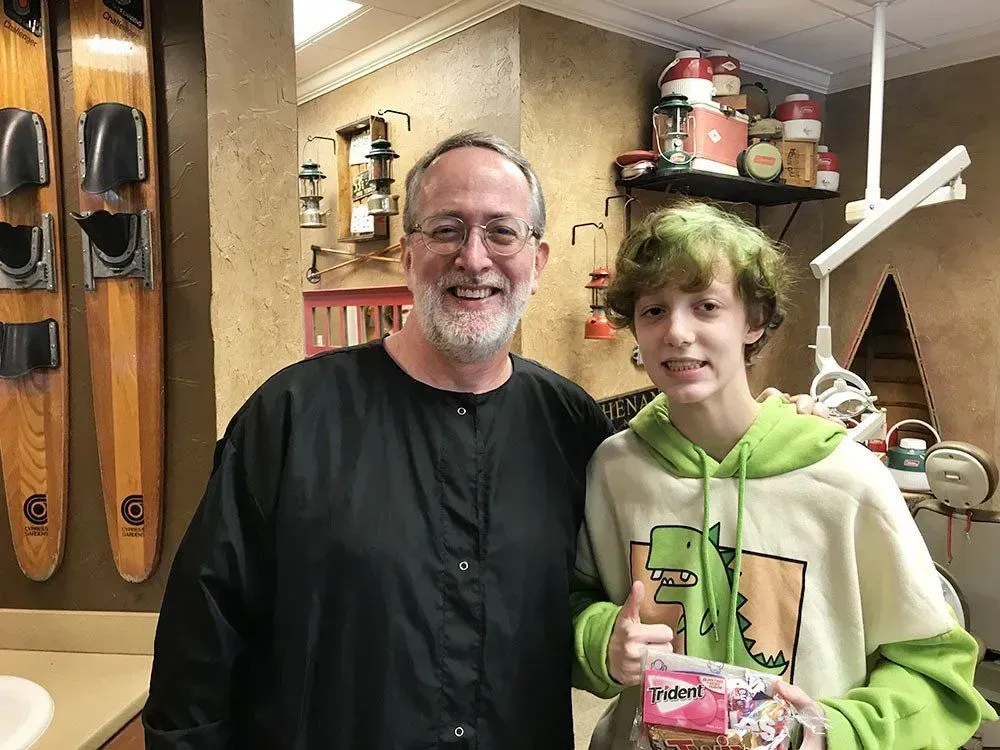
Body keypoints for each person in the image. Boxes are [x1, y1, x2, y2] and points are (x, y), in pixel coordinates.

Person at [142, 133, 827, 749]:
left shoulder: (572, 426)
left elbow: (644, 541)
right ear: (408, 253)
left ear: (538, 259)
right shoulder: (291, 417)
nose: (473, 258)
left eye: (502, 232)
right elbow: (200, 640)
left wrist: (772, 427)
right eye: (447, 229)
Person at [570, 201, 996, 750]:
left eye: (706, 306)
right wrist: (602, 642)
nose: (676, 332)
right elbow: (569, 603)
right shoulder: (614, 469)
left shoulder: (846, 482)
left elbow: (939, 676)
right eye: (654, 310)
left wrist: (831, 733)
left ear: (753, 321)